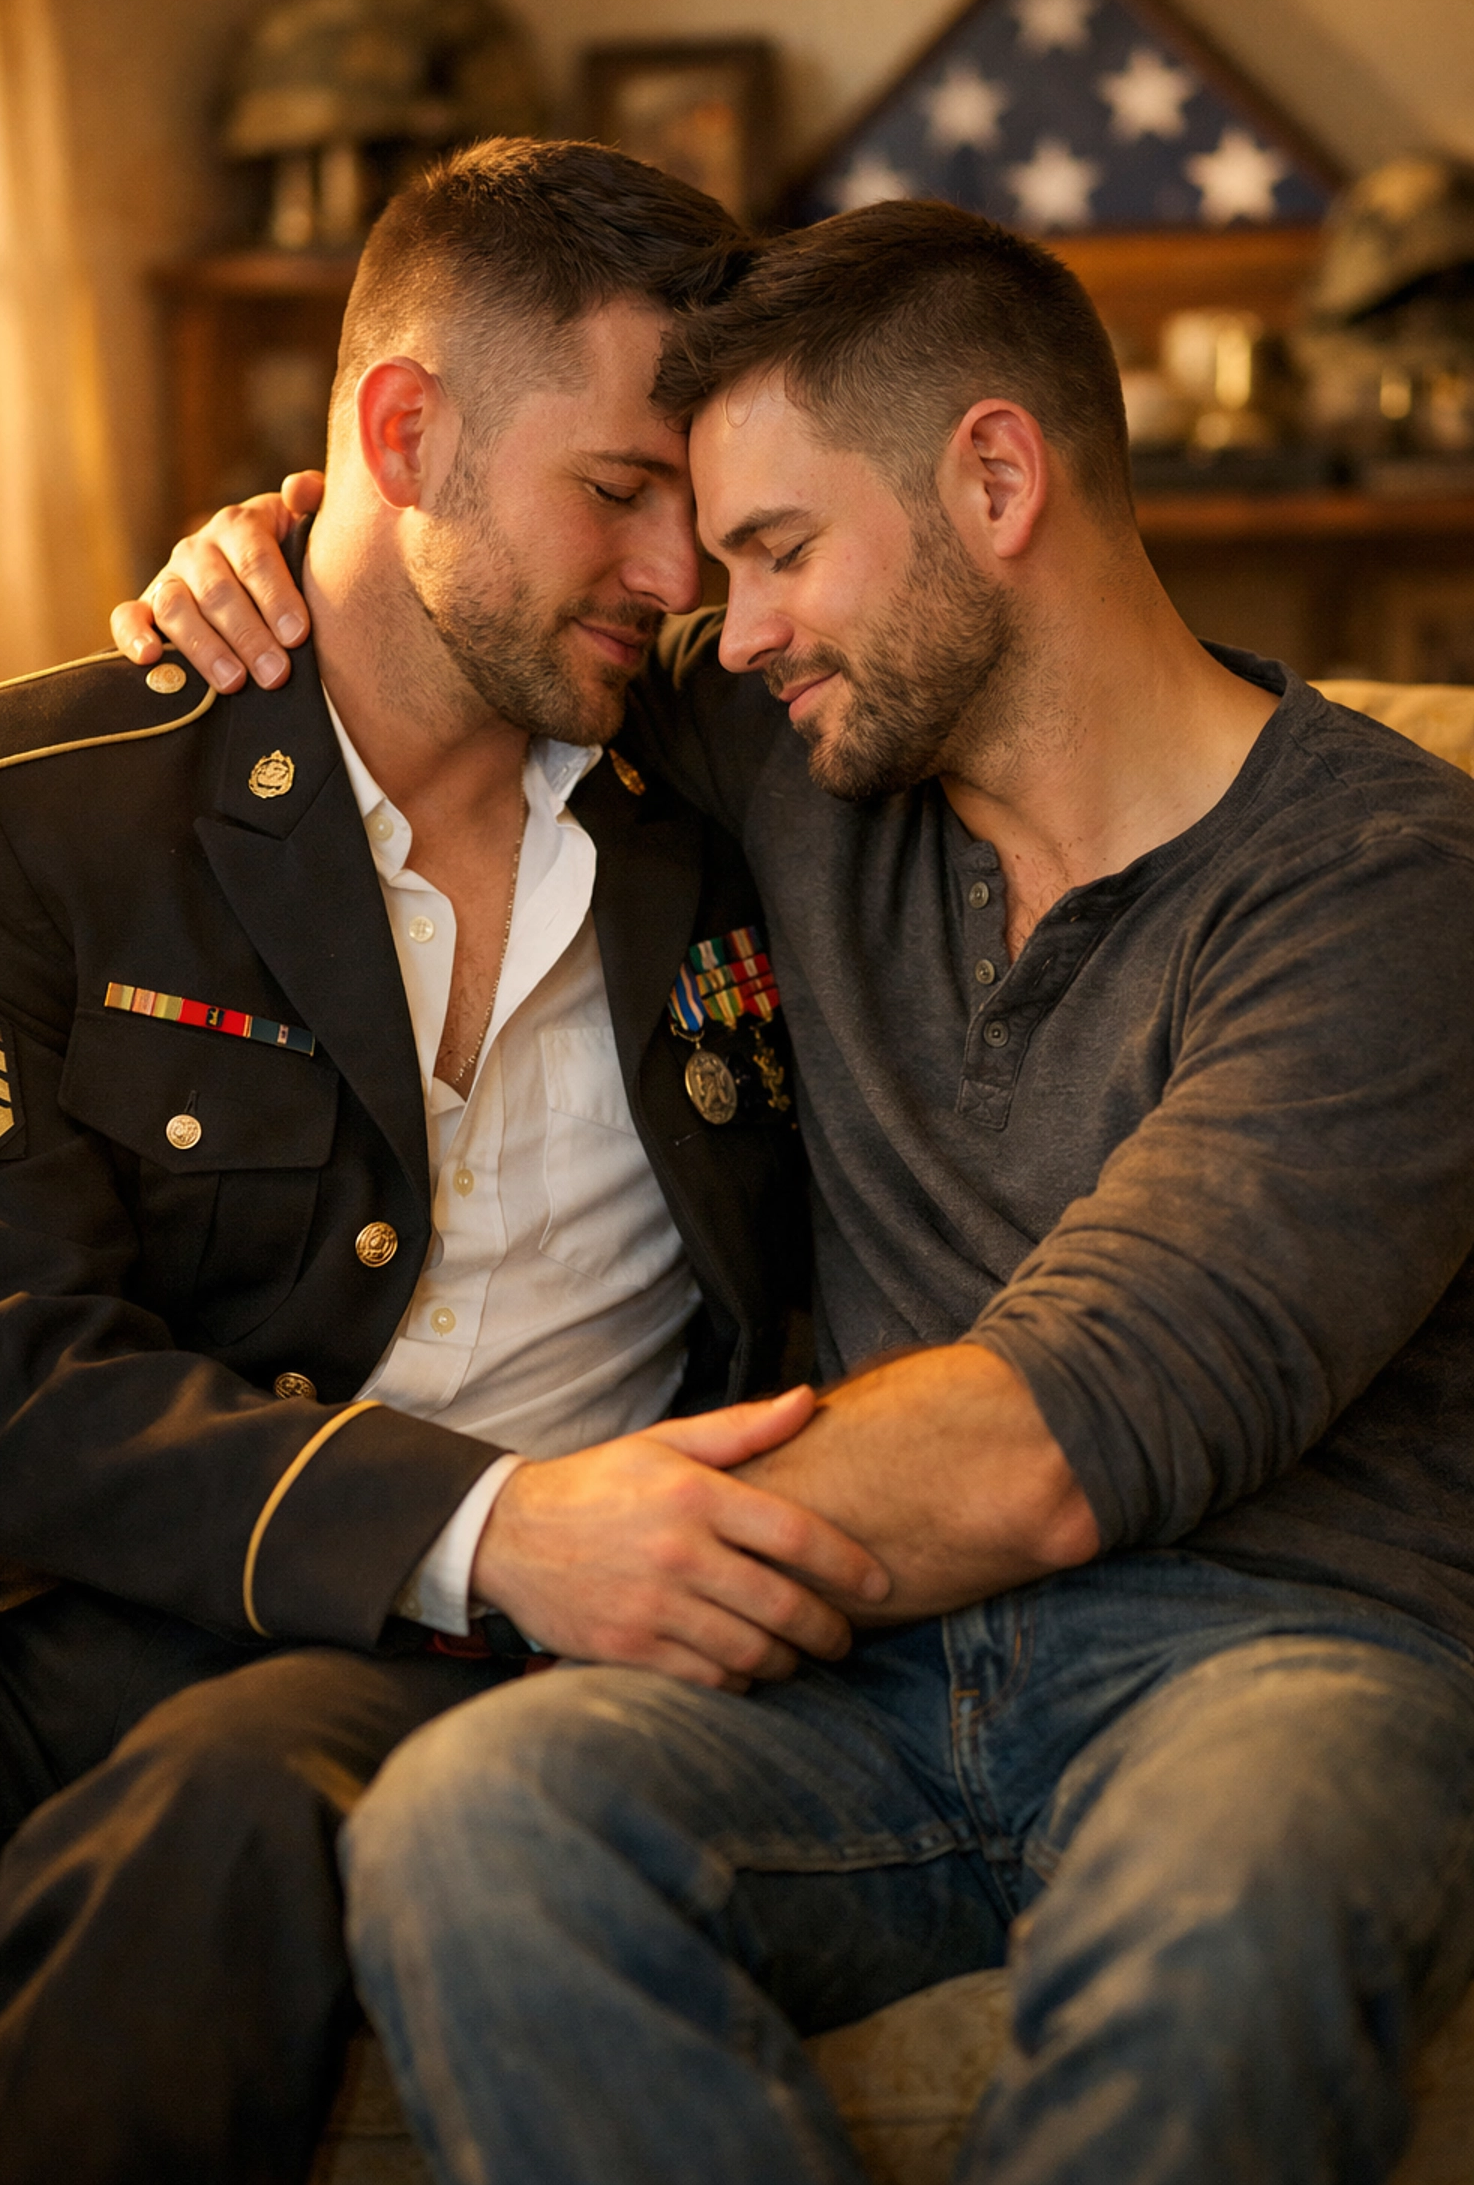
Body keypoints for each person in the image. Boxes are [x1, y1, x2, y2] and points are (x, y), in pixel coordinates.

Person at [146, 198, 1474, 2185]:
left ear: (997, 478)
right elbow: (471, 589)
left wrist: (521, 1536)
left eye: (772, 547)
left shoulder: (1389, 888)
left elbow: (1068, 1431)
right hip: (862, 1687)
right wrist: (279, 541)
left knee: (1238, 1898)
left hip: (1269, 1663)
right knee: (472, 1822)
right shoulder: (809, 753)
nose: (725, 619)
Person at [0, 139, 890, 2185]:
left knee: (226, 1805)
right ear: (401, 429)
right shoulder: (30, 807)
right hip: (57, 1603)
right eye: (619, 495)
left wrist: (507, 1560)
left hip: (449, 1678)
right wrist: (489, 1515)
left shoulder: (744, 787)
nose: (676, 581)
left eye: (699, 516)